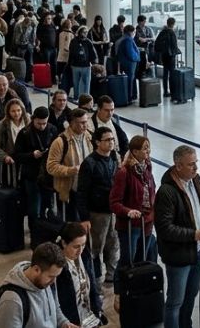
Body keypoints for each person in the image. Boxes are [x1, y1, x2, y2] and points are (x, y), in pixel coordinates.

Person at [155, 145, 200, 328]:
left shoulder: (195, 180)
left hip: (197, 251)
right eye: (191, 164)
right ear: (178, 166)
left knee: (191, 295)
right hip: (179, 256)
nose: (196, 168)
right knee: (175, 302)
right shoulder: (166, 192)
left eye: (196, 163)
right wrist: (193, 235)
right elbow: (164, 229)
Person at [110, 135, 158, 299]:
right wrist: (128, 211)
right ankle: (119, 292)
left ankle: (137, 289)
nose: (148, 151)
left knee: (141, 260)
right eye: (145, 148)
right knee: (127, 260)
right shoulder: (124, 172)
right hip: (130, 226)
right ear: (135, 151)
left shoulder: (147, 167)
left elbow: (151, 192)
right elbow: (114, 202)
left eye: (148, 147)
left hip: (146, 223)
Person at [77, 126, 121, 286]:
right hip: (96, 213)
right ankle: (95, 281)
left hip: (113, 211)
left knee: (113, 244)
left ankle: (111, 276)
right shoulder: (89, 163)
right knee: (95, 249)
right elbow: (81, 192)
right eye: (107, 140)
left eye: (112, 139)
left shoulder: (114, 158)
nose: (111, 143)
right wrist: (84, 218)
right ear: (97, 142)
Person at [0, 243, 66, 328]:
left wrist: (64, 323)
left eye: (56, 276)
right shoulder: (12, 301)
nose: (54, 281)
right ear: (36, 269)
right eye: (51, 276)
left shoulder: (47, 281)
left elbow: (55, 309)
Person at [14, 107, 59, 226]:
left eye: (44, 123)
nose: (42, 126)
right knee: (34, 208)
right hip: (31, 175)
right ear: (33, 119)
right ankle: (34, 232)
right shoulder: (25, 133)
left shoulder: (52, 130)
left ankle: (45, 230)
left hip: (48, 175)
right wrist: (32, 155)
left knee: (47, 206)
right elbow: (17, 155)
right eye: (39, 123)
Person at [55, 221, 105, 328]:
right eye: (76, 246)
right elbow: (58, 303)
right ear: (64, 243)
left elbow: (92, 284)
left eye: (83, 245)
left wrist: (97, 308)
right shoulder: (56, 267)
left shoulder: (85, 254)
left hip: (90, 315)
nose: (80, 250)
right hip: (72, 321)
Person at [46, 107, 92, 221]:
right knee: (73, 227)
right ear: (71, 123)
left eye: (86, 122)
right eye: (81, 123)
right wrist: (71, 170)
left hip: (87, 190)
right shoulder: (60, 141)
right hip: (69, 191)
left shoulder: (89, 137)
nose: (85, 125)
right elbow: (51, 167)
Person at [0, 98, 27, 179]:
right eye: (13, 111)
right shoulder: (2, 125)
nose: (16, 113)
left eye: (18, 110)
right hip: (10, 162)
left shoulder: (28, 121)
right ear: (8, 112)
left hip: (26, 160)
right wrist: (4, 156)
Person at [153, 17, 180, 101]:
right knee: (172, 74)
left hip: (164, 55)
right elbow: (174, 46)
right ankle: (173, 92)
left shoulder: (162, 32)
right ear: (173, 24)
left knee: (165, 74)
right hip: (171, 56)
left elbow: (156, 43)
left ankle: (165, 91)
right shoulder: (172, 33)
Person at [113, 24, 140, 102]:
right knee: (130, 80)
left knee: (127, 80)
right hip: (130, 63)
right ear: (130, 32)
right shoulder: (128, 40)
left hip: (122, 62)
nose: (134, 34)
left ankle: (128, 96)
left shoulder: (120, 39)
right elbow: (130, 53)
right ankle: (130, 97)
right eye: (134, 32)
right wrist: (138, 58)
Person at [67, 25, 96, 97]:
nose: (85, 34)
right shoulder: (76, 41)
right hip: (78, 65)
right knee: (79, 83)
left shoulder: (86, 42)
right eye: (84, 32)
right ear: (80, 32)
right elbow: (71, 53)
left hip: (82, 65)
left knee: (82, 83)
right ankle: (79, 97)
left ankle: (83, 98)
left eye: (86, 32)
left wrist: (91, 63)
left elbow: (92, 54)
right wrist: (69, 64)